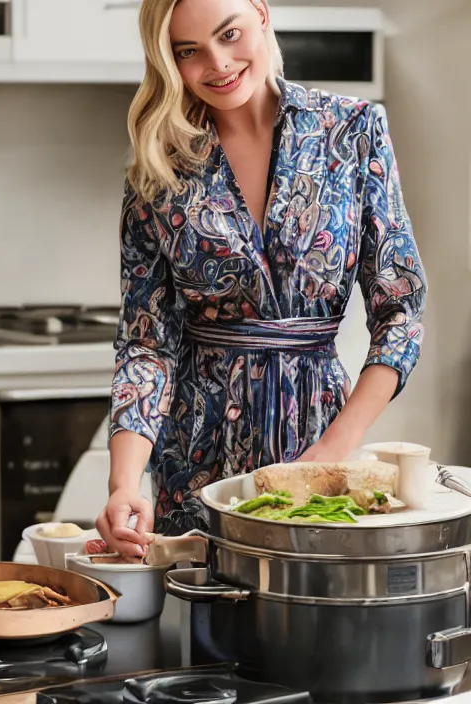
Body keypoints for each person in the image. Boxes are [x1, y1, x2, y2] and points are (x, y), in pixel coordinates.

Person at [96, 0, 427, 557]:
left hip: (318, 440)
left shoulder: (351, 131)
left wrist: (337, 444)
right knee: (205, 626)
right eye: (188, 51)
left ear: (261, 13)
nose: (218, 63)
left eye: (230, 34)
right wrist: (123, 482)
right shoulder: (160, 166)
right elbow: (146, 342)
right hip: (195, 457)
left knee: (312, 620)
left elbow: (401, 313)